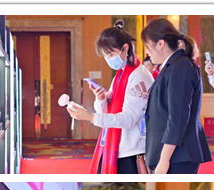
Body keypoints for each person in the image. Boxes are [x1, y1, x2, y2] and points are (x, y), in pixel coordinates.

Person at [66, 20, 154, 174]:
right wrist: (101, 99)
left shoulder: (138, 76)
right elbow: (106, 113)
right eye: (105, 56)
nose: (108, 59)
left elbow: (127, 119)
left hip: (131, 149)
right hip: (117, 146)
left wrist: (89, 117)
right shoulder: (120, 74)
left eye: (110, 54)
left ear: (125, 48)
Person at [141, 19, 212, 174]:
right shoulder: (172, 66)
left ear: (160, 44)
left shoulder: (180, 66)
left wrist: (164, 159)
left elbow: (178, 117)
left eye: (147, 46)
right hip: (173, 154)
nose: (146, 52)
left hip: (177, 156)